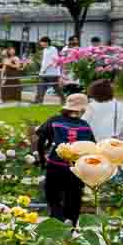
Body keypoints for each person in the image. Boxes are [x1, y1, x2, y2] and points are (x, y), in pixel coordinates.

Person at [35, 92, 97, 226]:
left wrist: (42, 159)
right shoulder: (85, 125)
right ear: (82, 109)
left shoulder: (55, 120)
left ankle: (59, 221)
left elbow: (40, 139)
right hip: (76, 168)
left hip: (55, 165)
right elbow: (93, 146)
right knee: (74, 199)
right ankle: (71, 226)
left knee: (52, 197)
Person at [82, 78, 123, 143]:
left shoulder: (90, 107)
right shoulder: (120, 106)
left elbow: (82, 125)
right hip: (114, 144)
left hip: (95, 144)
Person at [34, 37, 62, 105]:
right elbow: (45, 61)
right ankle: (38, 101)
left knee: (56, 88)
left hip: (52, 72)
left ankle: (63, 99)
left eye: (42, 42)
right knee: (41, 87)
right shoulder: (45, 50)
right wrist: (42, 70)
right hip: (43, 72)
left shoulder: (53, 49)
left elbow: (54, 60)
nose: (41, 43)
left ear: (46, 42)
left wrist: (45, 69)